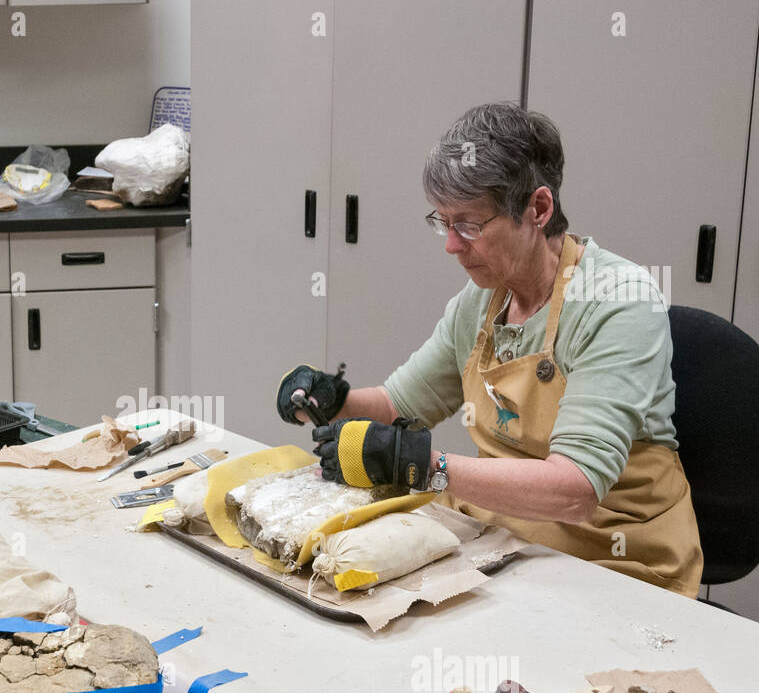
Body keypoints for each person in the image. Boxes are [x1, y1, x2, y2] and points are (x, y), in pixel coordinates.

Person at [278, 102, 702, 601]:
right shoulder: (482, 300)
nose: (451, 246)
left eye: (470, 225)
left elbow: (575, 490)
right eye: (443, 222)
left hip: (614, 559)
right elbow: (400, 406)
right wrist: (334, 400)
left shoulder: (616, 301)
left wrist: (426, 467)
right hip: (502, 540)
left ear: (538, 210)